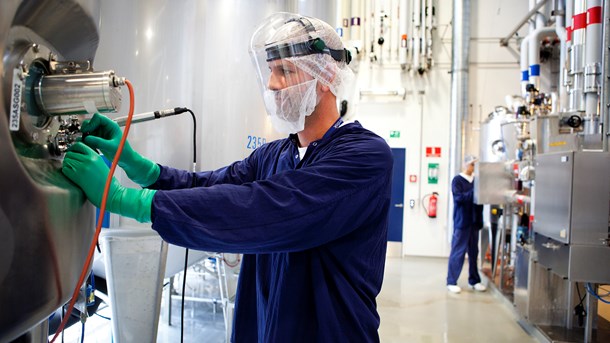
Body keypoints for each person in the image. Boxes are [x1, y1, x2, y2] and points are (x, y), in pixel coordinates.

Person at [62, 12, 394, 343]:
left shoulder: (364, 157)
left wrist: (126, 200)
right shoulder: (275, 155)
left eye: (285, 71)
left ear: (325, 75)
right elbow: (212, 187)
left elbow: (267, 209)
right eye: (270, 71)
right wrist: (139, 166)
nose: (271, 83)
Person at [446, 155, 486, 294]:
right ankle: (451, 281)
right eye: (472, 164)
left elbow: (481, 200)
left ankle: (474, 280)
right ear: (465, 165)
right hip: (462, 222)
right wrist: (474, 193)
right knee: (458, 252)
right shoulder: (457, 180)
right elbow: (458, 198)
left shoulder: (477, 180)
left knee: (474, 252)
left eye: (475, 165)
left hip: (475, 222)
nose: (474, 168)